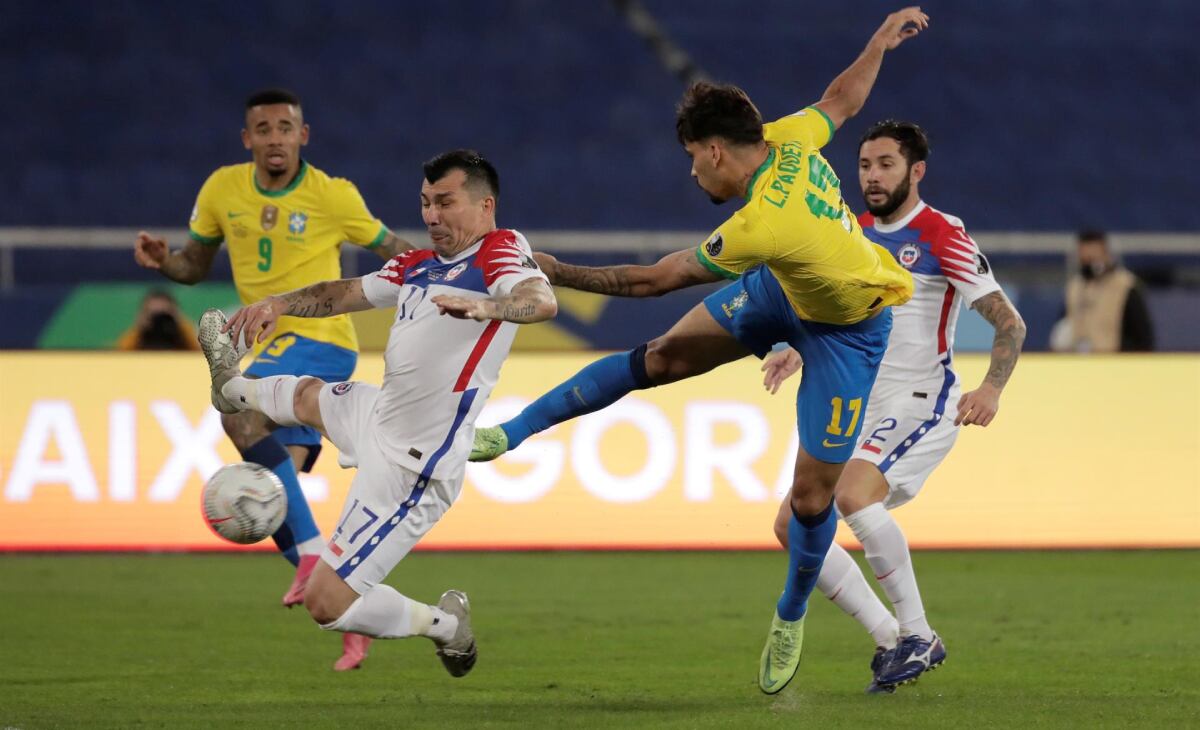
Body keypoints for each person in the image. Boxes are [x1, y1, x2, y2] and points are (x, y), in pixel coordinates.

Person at [469, 7, 929, 695]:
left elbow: (651, 280)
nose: (692, 174)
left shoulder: (762, 224)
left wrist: (556, 269)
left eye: (691, 158)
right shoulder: (790, 140)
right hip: (785, 290)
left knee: (809, 503)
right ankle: (510, 432)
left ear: (715, 150)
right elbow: (843, 98)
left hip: (850, 335)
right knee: (658, 359)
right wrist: (878, 42)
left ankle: (791, 612)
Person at [196, 150, 557, 678]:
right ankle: (231, 388)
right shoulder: (418, 265)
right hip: (379, 413)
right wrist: (278, 303)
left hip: (413, 464)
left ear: (485, 205)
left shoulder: (499, 252)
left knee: (326, 602)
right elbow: (341, 292)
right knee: (305, 397)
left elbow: (539, 300)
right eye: (426, 203)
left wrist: (490, 308)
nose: (432, 215)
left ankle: (445, 626)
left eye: (445, 202)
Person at [133, 88, 413, 671]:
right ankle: (349, 611)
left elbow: (393, 250)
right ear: (247, 139)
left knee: (236, 411)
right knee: (267, 488)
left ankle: (313, 558)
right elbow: (193, 265)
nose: (275, 138)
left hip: (322, 338)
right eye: (263, 129)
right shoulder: (221, 189)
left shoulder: (334, 196)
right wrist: (166, 261)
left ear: (302, 136)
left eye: (285, 127)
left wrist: (447, 276)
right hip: (261, 342)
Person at [761, 119, 1026, 692]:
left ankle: (918, 632)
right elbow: (835, 315)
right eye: (864, 166)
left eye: (885, 164)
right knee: (792, 524)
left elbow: (1009, 320)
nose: (873, 176)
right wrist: (796, 352)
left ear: (916, 171)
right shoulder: (850, 232)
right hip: (858, 402)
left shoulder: (941, 233)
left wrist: (991, 388)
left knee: (853, 495)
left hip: (921, 398)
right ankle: (890, 639)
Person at [1051, 230, 1154, 352]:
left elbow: (1142, 337)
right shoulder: (1074, 287)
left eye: (1093, 259)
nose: (1089, 266)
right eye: (1085, 261)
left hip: (1114, 363)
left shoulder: (1126, 287)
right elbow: (1064, 326)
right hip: (1079, 363)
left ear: (1106, 255)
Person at [115, 289, 200, 351]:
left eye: (163, 314)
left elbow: (201, 356)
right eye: (152, 315)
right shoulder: (135, 342)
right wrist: (138, 330)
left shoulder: (183, 340)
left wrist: (181, 324)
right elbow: (117, 356)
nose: (158, 320)